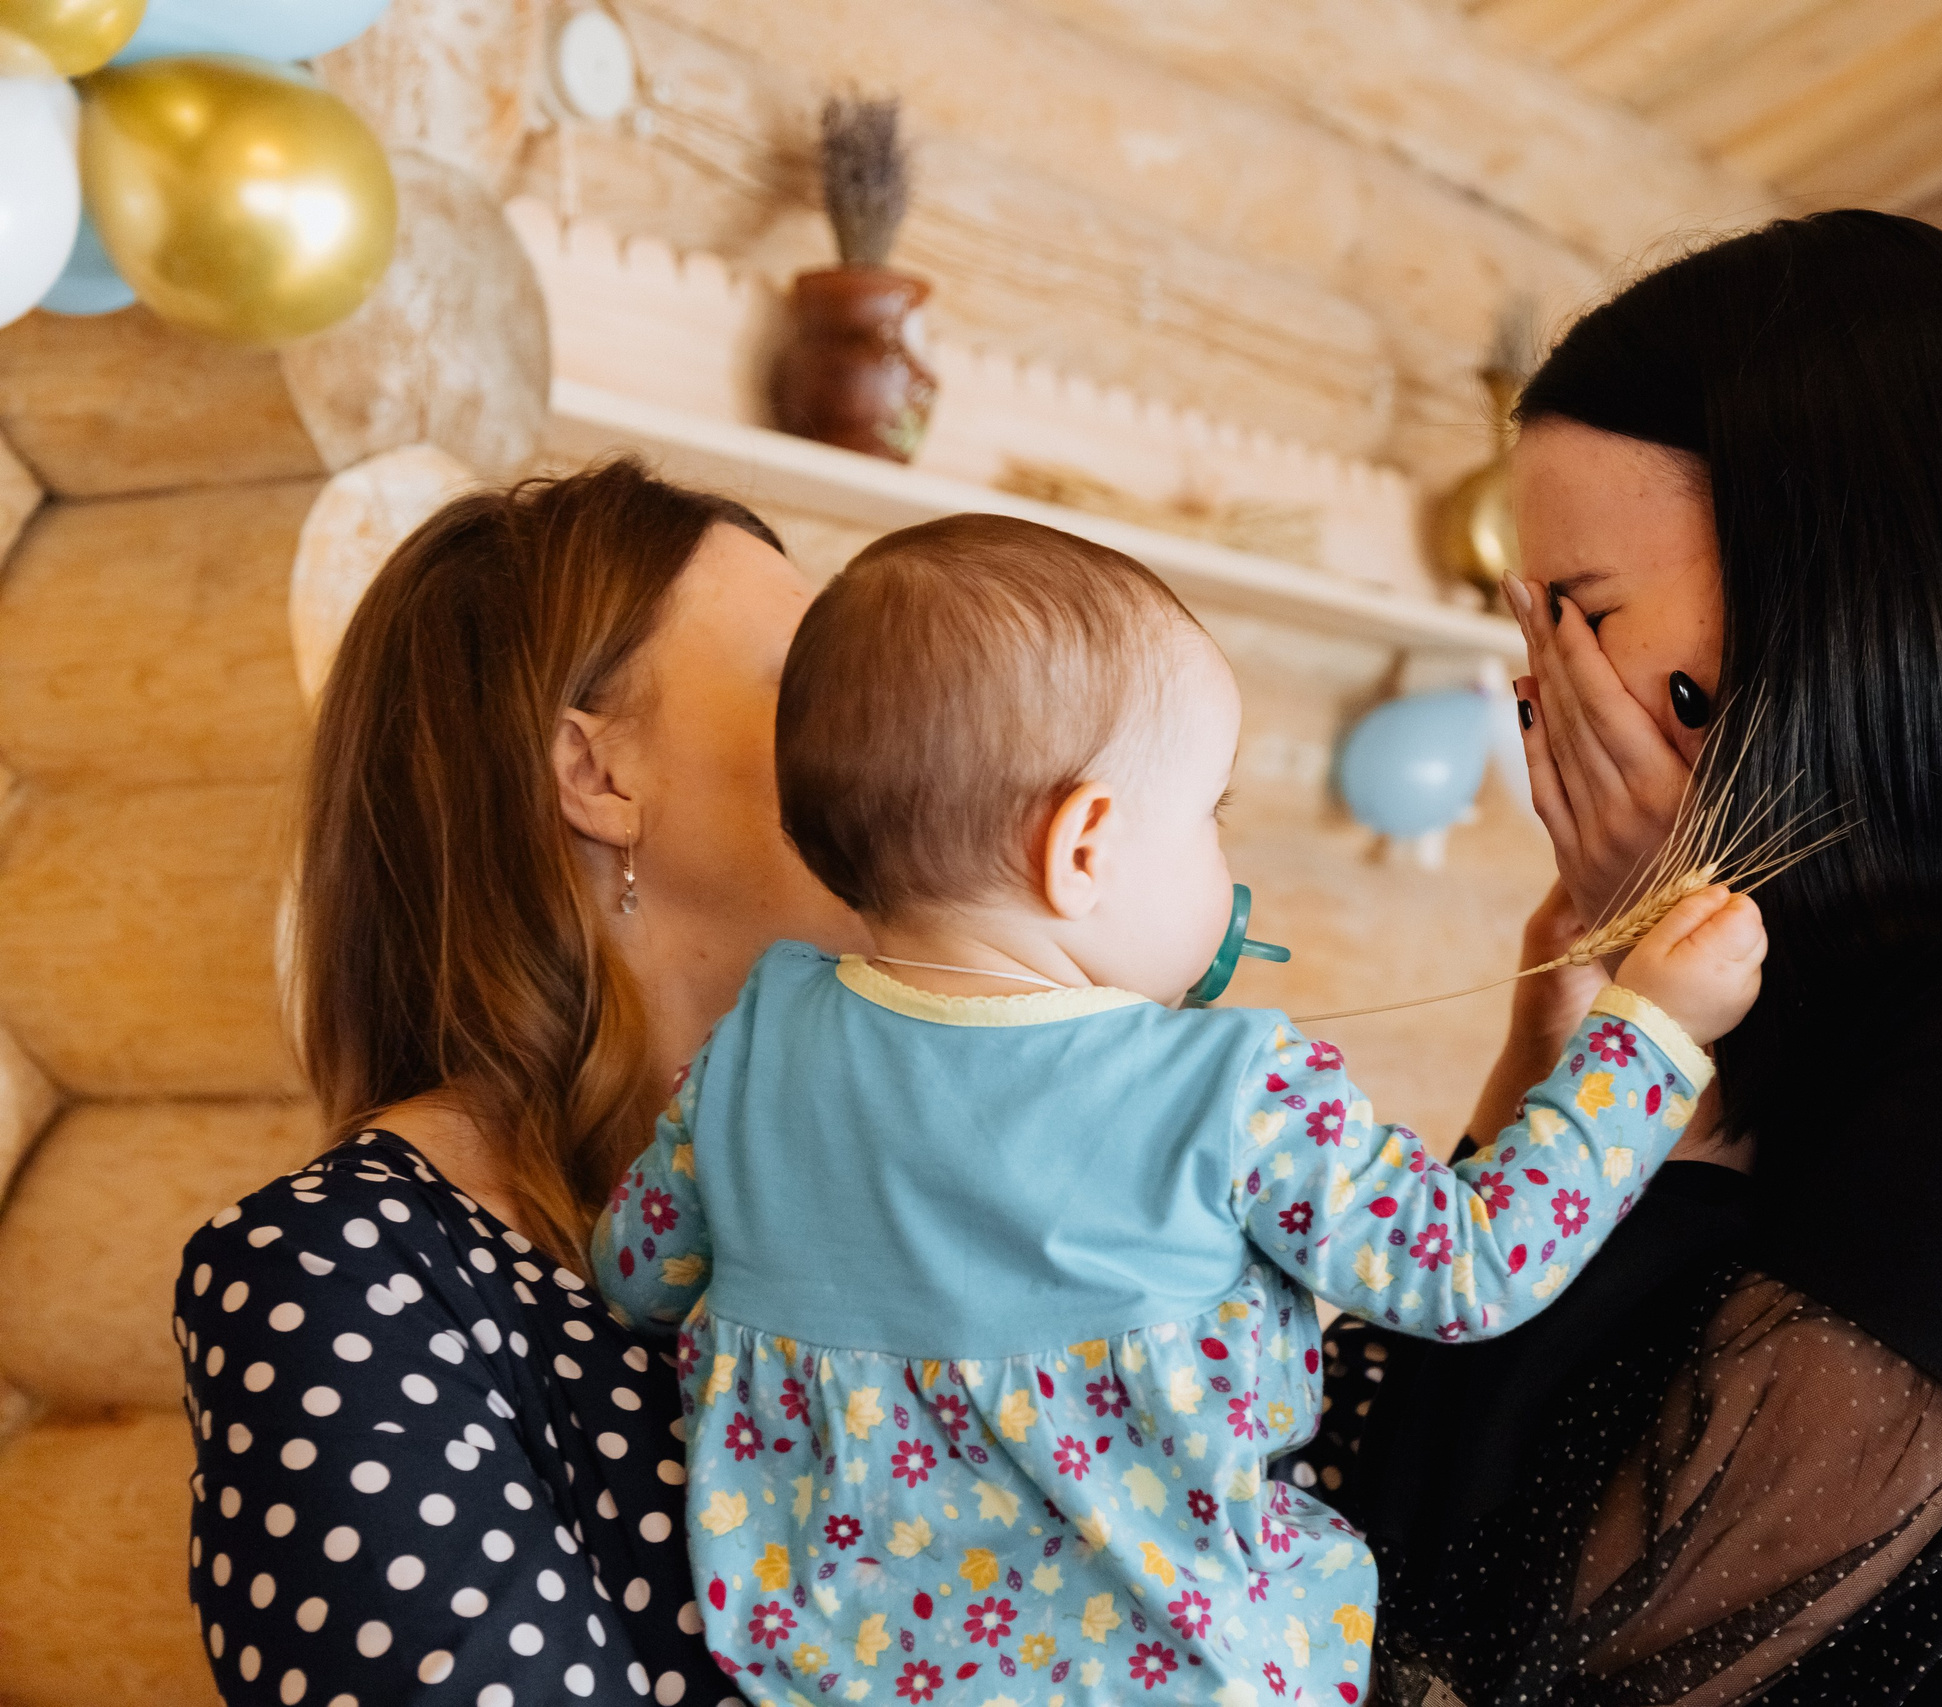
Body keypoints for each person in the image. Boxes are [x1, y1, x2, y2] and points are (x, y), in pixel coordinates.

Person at [1299, 210, 1942, 1707]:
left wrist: (1664, 1054)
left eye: (1583, 612)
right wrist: (1569, 1057)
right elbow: (1354, 1535)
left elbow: (1567, 1645)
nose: (1540, 689)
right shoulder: (1883, 994)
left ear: (1838, 591)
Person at [588, 513, 1766, 1706]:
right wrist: (1651, 1034)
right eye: (1210, 811)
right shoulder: (1233, 1089)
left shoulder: (752, 1050)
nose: (1217, 849)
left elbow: (635, 1273)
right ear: (1083, 848)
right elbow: (1469, 1269)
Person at [173, 460, 870, 1706]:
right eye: (811, 689)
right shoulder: (338, 1277)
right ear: (596, 775)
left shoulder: (885, 1188)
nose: (901, 733)